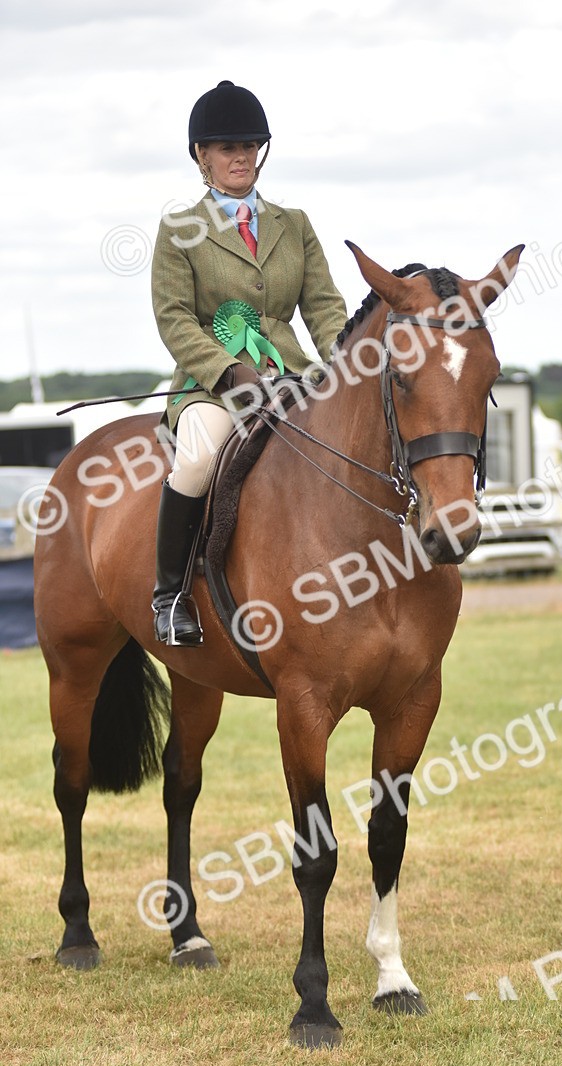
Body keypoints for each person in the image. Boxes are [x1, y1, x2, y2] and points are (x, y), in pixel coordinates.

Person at [150, 80, 347, 646]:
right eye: (226, 147)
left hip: (291, 377)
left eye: (249, 146)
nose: (241, 156)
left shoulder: (295, 224)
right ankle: (171, 597)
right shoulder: (179, 231)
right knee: (198, 460)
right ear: (201, 156)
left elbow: (325, 309)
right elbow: (174, 318)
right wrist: (229, 370)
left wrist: (347, 368)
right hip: (210, 386)